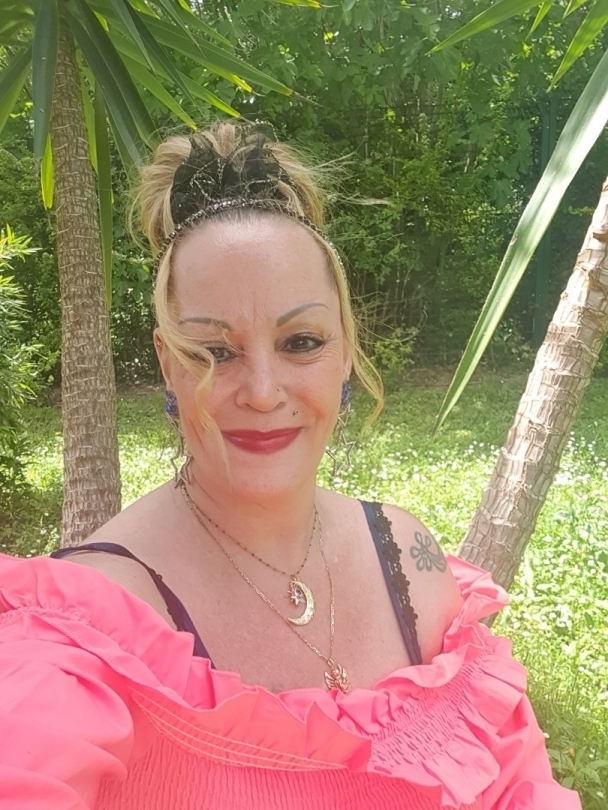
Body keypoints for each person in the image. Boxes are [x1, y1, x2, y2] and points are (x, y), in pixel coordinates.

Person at [0, 121, 581, 810]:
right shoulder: (88, 626)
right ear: (167, 363)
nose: (263, 392)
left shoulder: (408, 557)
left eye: (301, 341)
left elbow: (518, 783)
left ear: (345, 351)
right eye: (214, 352)